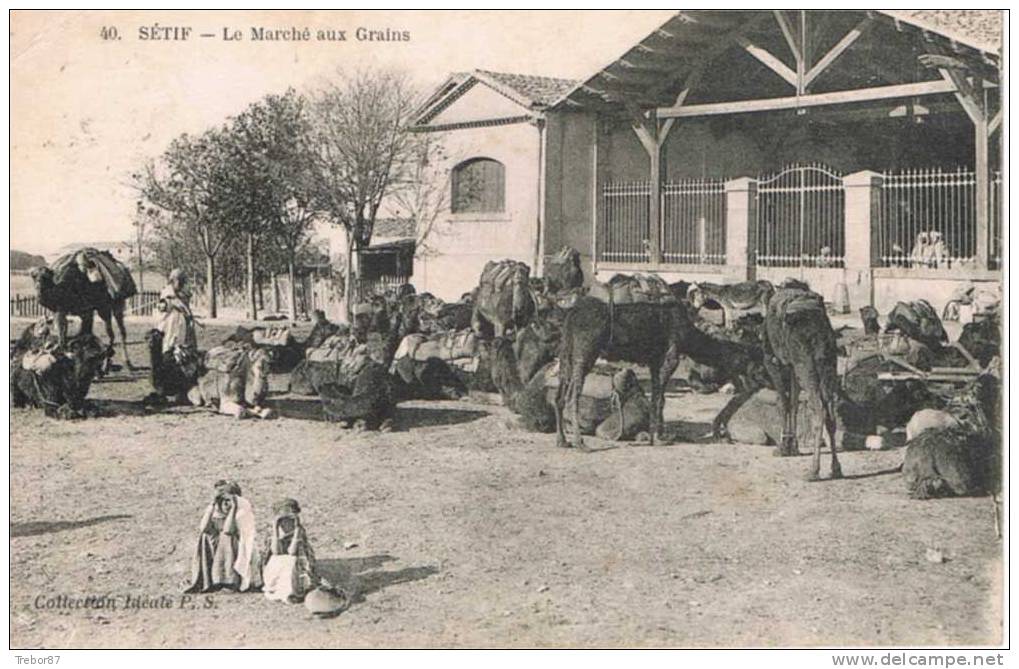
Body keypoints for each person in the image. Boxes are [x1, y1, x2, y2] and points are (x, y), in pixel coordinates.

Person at [185, 480, 261, 593]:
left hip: (239, 549)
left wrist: (233, 508)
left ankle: (228, 580)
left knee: (226, 537)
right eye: (221, 500)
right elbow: (204, 528)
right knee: (205, 536)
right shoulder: (216, 509)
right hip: (221, 550)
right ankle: (209, 580)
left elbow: (228, 530)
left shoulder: (241, 510)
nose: (225, 503)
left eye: (228, 500)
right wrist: (212, 505)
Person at [261, 498, 318, 602]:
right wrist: (275, 529)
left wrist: (296, 530)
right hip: (277, 564)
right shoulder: (273, 530)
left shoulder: (299, 530)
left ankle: (290, 591)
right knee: (279, 560)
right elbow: (276, 552)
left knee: (290, 561)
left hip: (294, 565)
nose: (286, 521)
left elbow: (293, 552)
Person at [157, 269, 197, 353]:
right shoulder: (167, 294)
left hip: (180, 329)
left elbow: (186, 310)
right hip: (169, 328)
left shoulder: (180, 294)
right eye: (181, 281)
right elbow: (165, 309)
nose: (182, 284)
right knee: (169, 348)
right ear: (175, 281)